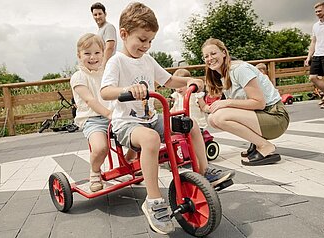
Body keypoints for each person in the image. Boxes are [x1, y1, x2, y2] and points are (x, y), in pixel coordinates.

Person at [100, 3, 233, 234]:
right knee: (151, 139)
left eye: (150, 41)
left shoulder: (148, 60)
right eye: (142, 39)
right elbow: (105, 91)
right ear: (123, 34)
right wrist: (128, 89)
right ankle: (153, 200)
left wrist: (190, 82)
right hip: (126, 124)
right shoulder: (117, 61)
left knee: (189, 125)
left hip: (151, 118)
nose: (146, 45)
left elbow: (168, 81)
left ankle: (203, 171)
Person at [201, 38, 290, 166]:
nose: (210, 58)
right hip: (262, 115)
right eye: (206, 56)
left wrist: (226, 103)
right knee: (212, 119)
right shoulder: (223, 75)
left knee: (220, 117)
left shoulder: (239, 69)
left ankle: (265, 146)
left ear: (224, 53)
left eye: (213, 53)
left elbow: (259, 103)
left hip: (275, 117)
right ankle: (257, 142)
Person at [70, 33, 112, 192]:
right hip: (92, 119)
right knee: (101, 148)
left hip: (112, 115)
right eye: (87, 53)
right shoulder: (78, 77)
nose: (93, 57)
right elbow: (90, 100)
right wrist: (108, 114)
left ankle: (131, 160)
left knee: (137, 133)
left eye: (97, 53)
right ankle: (95, 172)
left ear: (103, 53)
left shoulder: (107, 72)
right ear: (79, 55)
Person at [91, 2, 117, 68]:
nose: (98, 16)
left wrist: (103, 65)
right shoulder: (100, 30)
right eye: (95, 15)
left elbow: (109, 48)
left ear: (105, 14)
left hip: (108, 66)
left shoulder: (109, 27)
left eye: (100, 14)